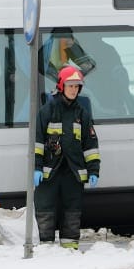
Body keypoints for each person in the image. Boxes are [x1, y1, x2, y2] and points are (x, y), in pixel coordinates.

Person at [34, 66, 101, 250]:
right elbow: (37, 142)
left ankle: (70, 250)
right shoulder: (47, 111)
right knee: (45, 211)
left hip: (73, 173)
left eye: (77, 86)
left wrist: (93, 170)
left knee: (72, 213)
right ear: (61, 86)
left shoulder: (82, 114)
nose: (74, 90)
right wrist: (37, 168)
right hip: (49, 173)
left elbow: (91, 145)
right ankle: (45, 249)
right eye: (70, 85)